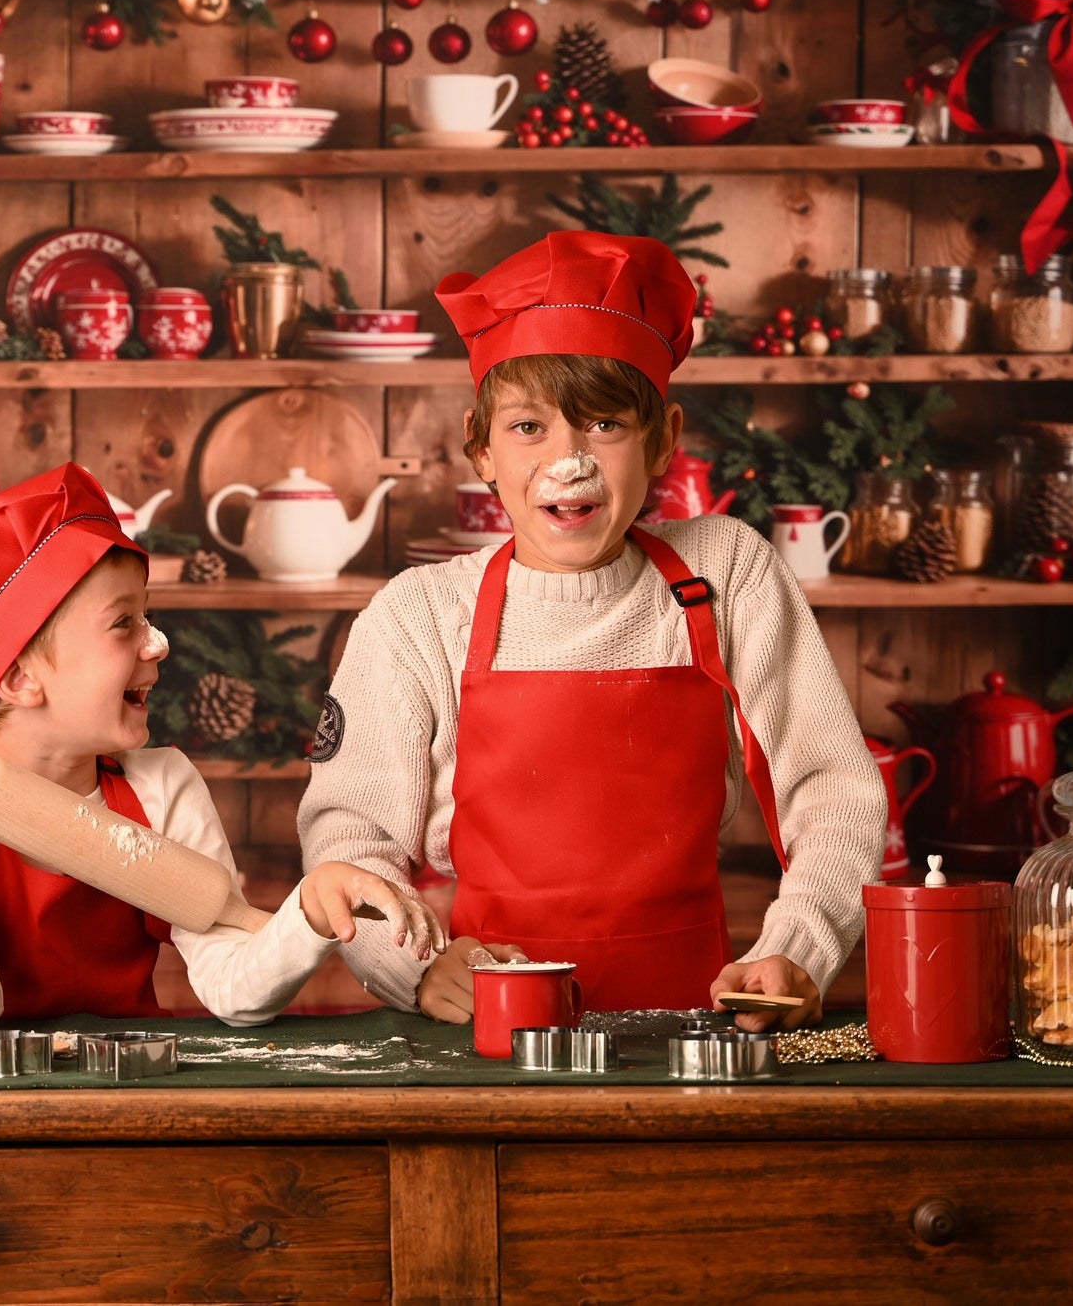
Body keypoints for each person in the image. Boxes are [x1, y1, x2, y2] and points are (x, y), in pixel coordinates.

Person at [299, 231, 886, 1032]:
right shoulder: (420, 615)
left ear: (664, 439)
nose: (568, 463)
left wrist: (801, 947)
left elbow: (834, 787)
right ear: (481, 448)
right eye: (529, 429)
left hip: (692, 1024)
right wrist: (416, 967)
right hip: (490, 1028)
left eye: (605, 425)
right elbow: (350, 837)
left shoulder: (723, 573)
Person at [0, 462, 443, 1028]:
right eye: (124, 624)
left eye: (150, 617)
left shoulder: (161, 785)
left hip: (134, 1086)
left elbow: (232, 987)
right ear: (19, 678)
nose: (158, 645)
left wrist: (308, 913)